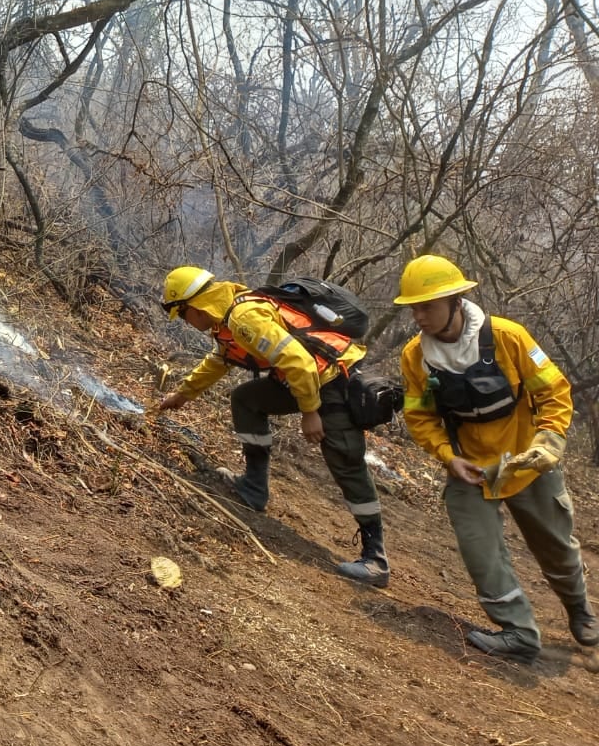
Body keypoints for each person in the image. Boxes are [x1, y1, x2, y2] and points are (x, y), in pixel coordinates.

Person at [394, 254, 599, 659]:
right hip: (471, 469)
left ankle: (580, 609)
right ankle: (518, 632)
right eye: (413, 307)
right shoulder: (415, 356)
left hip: (528, 463)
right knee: (480, 552)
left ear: (456, 300)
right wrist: (448, 457)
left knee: (556, 546)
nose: (419, 316)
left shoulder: (509, 337)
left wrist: (550, 440)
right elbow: (420, 417)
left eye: (427, 305)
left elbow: (554, 392)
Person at [154, 266, 390, 586]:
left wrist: (310, 413)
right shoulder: (229, 317)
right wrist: (183, 394)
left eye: (183, 316)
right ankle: (253, 488)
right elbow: (221, 359)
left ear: (195, 307)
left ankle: (375, 559)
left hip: (334, 382)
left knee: (345, 460)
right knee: (247, 399)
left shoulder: (243, 317)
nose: (187, 324)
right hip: (303, 381)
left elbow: (301, 362)